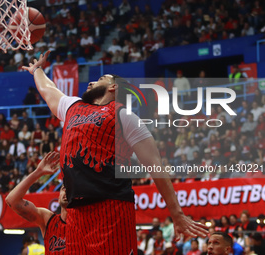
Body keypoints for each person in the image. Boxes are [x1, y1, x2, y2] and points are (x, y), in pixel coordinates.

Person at [22, 51, 208, 254]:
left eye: (100, 79)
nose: (92, 82)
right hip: (76, 212)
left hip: (111, 208)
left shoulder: (124, 115)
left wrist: (177, 213)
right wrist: (37, 70)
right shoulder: (73, 106)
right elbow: (50, 91)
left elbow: (156, 166)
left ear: (113, 87)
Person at [6, 152, 67, 254]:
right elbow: (12, 201)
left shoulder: (84, 222)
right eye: (64, 188)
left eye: (70, 189)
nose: (66, 191)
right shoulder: (48, 219)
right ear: (58, 194)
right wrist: (38, 172)